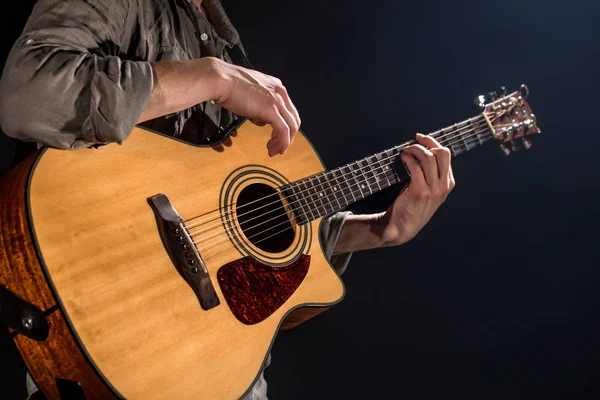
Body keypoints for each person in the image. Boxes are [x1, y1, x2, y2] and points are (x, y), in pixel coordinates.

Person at [0, 0, 455, 398]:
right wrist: (210, 78)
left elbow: (245, 229)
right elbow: (28, 95)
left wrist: (382, 230)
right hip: (110, 333)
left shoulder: (222, 39)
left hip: (220, 369)